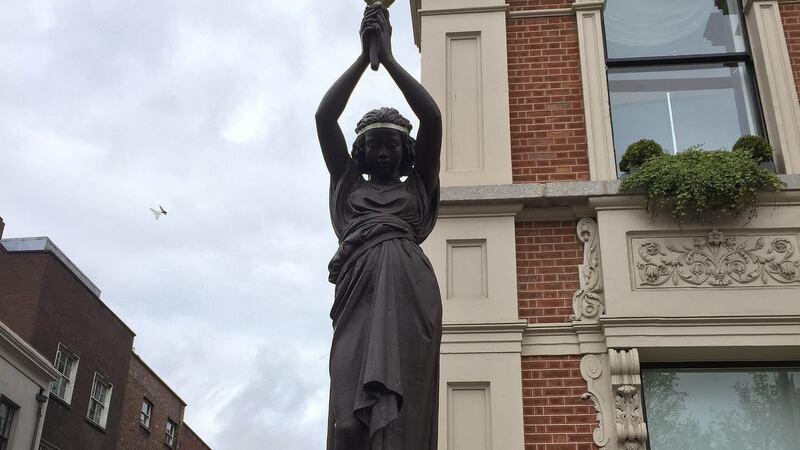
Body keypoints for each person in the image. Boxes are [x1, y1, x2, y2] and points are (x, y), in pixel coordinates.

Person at [314, 6, 443, 450]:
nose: (384, 152)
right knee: (348, 424)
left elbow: (433, 120)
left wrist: (388, 58)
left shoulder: (419, 187)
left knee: (402, 419)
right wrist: (361, 59)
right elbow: (323, 119)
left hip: (410, 292)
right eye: (375, 145)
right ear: (361, 152)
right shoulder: (347, 185)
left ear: (404, 150)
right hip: (357, 294)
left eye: (392, 144)